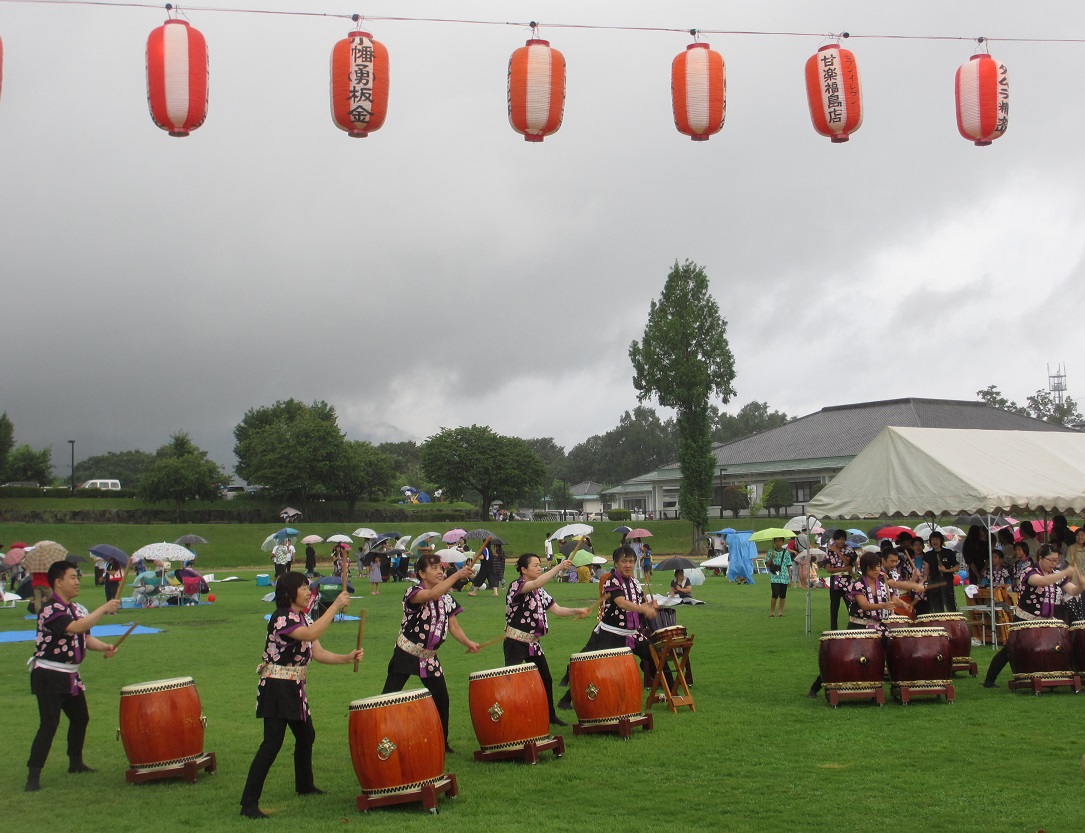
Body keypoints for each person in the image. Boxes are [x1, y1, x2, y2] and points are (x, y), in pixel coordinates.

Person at [239, 572, 362, 818]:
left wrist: (345, 658)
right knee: (272, 744)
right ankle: (248, 804)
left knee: (306, 735)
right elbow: (310, 635)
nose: (309, 592)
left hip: (294, 688)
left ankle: (304, 785)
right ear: (288, 593)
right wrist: (335, 605)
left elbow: (318, 652)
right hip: (276, 687)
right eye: (304, 588)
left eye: (309, 588)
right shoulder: (281, 618)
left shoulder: (302, 617)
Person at [25, 558, 121, 792]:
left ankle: (75, 763)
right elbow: (74, 628)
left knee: (80, 718)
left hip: (70, 676)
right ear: (58, 583)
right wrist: (104, 608)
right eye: (72, 578)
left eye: (78, 577)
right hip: (49, 675)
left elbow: (84, 638)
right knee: (49, 723)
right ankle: (33, 776)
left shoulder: (77, 609)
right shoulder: (50, 609)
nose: (77, 581)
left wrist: (105, 647)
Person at [381, 553, 479, 752]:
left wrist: (468, 642)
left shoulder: (447, 598)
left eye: (440, 568)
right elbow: (432, 595)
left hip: (430, 658)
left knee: (442, 699)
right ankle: (378, 736)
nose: (439, 571)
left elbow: (454, 626)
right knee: (388, 698)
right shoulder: (413, 592)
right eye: (433, 568)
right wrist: (457, 575)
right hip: (406, 653)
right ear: (421, 574)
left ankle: (442, 744)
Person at [557, 546, 668, 708]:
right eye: (624, 561)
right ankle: (566, 700)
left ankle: (673, 694)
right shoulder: (611, 581)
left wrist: (649, 604)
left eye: (631, 561)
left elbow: (639, 602)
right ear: (616, 563)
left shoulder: (635, 583)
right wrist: (643, 608)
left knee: (657, 657)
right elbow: (621, 603)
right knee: (591, 667)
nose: (628, 565)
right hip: (610, 634)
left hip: (632, 634)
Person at [504, 554, 590, 726]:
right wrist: (558, 567)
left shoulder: (540, 591)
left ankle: (550, 715)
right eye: (535, 565)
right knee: (511, 680)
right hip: (515, 642)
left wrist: (576, 610)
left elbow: (557, 610)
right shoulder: (517, 586)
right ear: (523, 570)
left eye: (539, 565)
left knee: (546, 679)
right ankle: (511, 716)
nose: (538, 568)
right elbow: (536, 583)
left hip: (534, 644)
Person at [983, 545, 1083, 688]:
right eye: (1051, 560)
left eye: (1056, 561)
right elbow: (1043, 581)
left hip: (1046, 620)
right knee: (1009, 650)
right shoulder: (1029, 571)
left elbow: (1073, 591)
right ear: (1041, 558)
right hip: (1026, 619)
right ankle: (989, 680)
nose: (1054, 564)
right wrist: (1065, 572)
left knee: (1054, 647)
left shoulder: (1056, 573)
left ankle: (1051, 675)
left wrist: (1081, 585)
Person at [808, 552, 900, 697]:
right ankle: (816, 687)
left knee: (894, 654)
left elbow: (894, 597)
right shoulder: (857, 584)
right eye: (873, 568)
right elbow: (863, 605)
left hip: (879, 627)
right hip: (859, 626)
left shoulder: (883, 583)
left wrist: (899, 603)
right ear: (865, 569)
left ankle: (896, 686)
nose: (876, 570)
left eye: (878, 566)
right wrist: (883, 605)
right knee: (844, 658)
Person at [820, 530, 856, 629]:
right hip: (835, 580)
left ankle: (853, 626)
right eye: (838, 539)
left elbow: (847, 562)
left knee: (850, 605)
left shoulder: (849, 550)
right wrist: (843, 568)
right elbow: (828, 569)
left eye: (842, 539)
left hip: (847, 582)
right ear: (835, 540)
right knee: (834, 607)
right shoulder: (830, 550)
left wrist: (838, 552)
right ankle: (833, 629)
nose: (840, 541)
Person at [923, 531, 958, 613]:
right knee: (937, 606)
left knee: (950, 605)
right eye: (933, 539)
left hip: (946, 581)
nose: (935, 541)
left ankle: (954, 623)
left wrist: (947, 570)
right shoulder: (928, 554)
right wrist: (924, 579)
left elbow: (957, 567)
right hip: (934, 582)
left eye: (937, 539)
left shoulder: (949, 552)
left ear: (941, 540)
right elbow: (927, 569)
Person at [767, 538, 792, 617]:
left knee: (783, 595)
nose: (778, 543)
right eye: (777, 541)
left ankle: (780, 612)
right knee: (774, 594)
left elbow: (788, 566)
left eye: (780, 541)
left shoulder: (786, 552)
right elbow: (767, 565)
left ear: (783, 542)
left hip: (784, 576)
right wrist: (772, 557)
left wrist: (790, 578)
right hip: (775, 576)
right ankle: (772, 612)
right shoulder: (771, 552)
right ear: (774, 542)